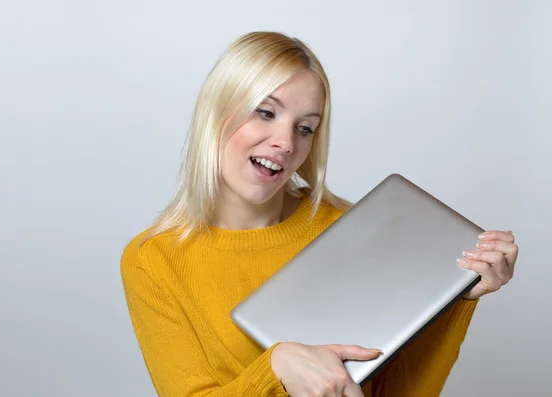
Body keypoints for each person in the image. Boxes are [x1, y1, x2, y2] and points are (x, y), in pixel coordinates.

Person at [120, 31, 519, 397]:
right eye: (265, 112)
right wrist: (275, 369)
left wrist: (458, 296)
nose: (284, 142)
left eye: (305, 128)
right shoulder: (153, 260)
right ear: (216, 111)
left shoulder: (347, 228)